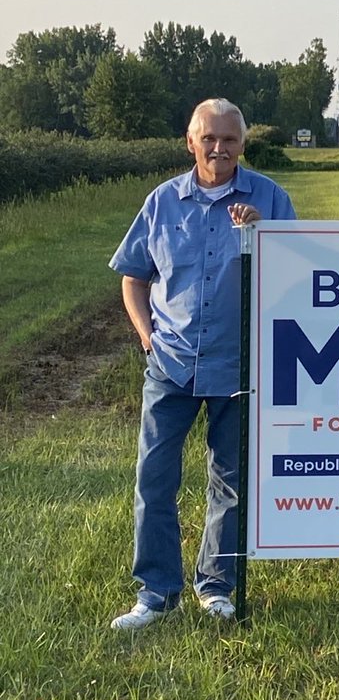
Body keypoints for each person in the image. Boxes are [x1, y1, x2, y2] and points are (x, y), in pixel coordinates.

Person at [109, 98, 296, 630]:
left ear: (244, 143)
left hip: (239, 367)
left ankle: (217, 588)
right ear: (190, 142)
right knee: (154, 477)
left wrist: (267, 238)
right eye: (208, 139)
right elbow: (133, 278)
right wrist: (147, 336)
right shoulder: (162, 202)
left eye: (230, 139)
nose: (219, 149)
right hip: (169, 364)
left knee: (231, 481)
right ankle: (156, 592)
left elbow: (300, 280)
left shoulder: (271, 199)